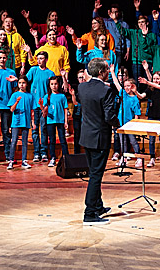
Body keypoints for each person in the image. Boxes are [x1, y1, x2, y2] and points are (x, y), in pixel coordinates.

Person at [79, 58, 119, 225]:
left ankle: (97, 206)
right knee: (96, 175)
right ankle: (89, 213)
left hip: (86, 136)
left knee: (94, 172)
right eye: (107, 71)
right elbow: (108, 116)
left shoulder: (81, 87)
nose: (108, 73)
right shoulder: (105, 91)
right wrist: (119, 125)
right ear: (102, 72)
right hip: (99, 138)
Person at [6, 78, 34, 169]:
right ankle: (11, 160)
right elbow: (11, 109)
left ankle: (24, 160)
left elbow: (32, 110)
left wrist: (33, 122)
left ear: (26, 84)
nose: (21, 85)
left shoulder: (30, 96)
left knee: (25, 141)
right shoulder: (15, 95)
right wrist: (17, 102)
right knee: (14, 141)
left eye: (23, 83)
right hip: (16, 121)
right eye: (20, 83)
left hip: (26, 120)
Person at [43, 76, 71, 167]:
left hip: (60, 120)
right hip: (50, 121)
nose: (54, 86)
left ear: (58, 85)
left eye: (55, 84)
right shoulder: (47, 97)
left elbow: (65, 109)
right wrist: (43, 107)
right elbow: (44, 112)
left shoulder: (62, 96)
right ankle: (53, 158)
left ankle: (66, 157)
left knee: (63, 140)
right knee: (52, 140)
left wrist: (66, 122)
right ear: (49, 85)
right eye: (52, 84)